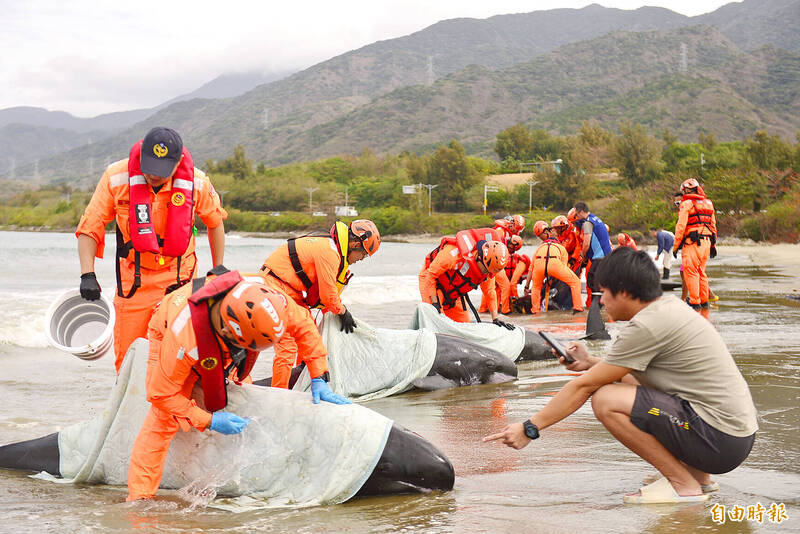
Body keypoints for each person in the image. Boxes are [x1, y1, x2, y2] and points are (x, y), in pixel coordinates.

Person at [484, 247, 757, 503]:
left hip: (718, 439)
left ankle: (683, 486)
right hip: (731, 436)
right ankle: (699, 478)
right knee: (624, 387)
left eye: (604, 293)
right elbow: (632, 377)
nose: (602, 302)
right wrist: (590, 361)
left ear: (624, 292)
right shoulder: (666, 309)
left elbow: (585, 387)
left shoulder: (647, 325)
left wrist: (530, 428)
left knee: (606, 400)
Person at [127, 269, 350, 501]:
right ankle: (139, 498)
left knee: (238, 391)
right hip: (166, 328)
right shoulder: (184, 339)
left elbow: (303, 325)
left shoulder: (270, 300)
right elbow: (161, 394)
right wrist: (209, 420)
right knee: (163, 420)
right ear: (226, 332)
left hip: (226, 335)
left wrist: (319, 375)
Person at [76, 127, 227, 372]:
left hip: (180, 281)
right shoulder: (117, 177)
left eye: (161, 172)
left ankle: (175, 407)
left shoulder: (197, 182)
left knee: (180, 359)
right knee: (129, 360)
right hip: (135, 283)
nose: (152, 176)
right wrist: (87, 274)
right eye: (148, 168)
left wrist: (218, 267)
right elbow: (90, 226)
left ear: (178, 163)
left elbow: (215, 222)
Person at [259, 219, 380, 389]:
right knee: (288, 346)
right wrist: (343, 312)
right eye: (364, 254)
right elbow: (328, 296)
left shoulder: (331, 248)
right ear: (354, 244)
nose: (362, 259)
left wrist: (336, 313)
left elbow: (325, 299)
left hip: (289, 291)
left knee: (309, 332)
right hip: (275, 287)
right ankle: (279, 394)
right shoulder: (330, 252)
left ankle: (302, 380)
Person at [419, 227, 514, 329]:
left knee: (464, 324)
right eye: (486, 270)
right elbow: (431, 275)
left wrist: (495, 318)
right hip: (432, 283)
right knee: (437, 324)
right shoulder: (452, 254)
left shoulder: (488, 269)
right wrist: (435, 304)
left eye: (489, 272)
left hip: (454, 294)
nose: (486, 274)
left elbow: (490, 291)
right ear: (479, 257)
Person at [673, 178, 717, 310]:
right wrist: (713, 246)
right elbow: (713, 226)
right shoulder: (708, 203)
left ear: (685, 190)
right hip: (706, 243)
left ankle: (694, 302)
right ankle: (704, 301)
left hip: (692, 243)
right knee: (702, 272)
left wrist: (675, 247)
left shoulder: (686, 204)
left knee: (691, 272)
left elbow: (681, 226)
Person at [524, 221, 584, 314]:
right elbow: (563, 266)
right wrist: (553, 278)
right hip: (555, 264)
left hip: (539, 266)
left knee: (536, 287)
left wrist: (527, 286)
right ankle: (578, 308)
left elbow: (531, 269)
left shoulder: (539, 248)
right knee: (575, 282)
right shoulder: (560, 247)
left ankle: (535, 311)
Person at [573, 202, 612, 307]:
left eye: (576, 214)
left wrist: (581, 255)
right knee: (600, 280)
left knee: (592, 279)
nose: (576, 217)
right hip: (607, 255)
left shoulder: (587, 223)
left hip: (600, 256)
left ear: (581, 212)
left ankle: (599, 303)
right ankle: (603, 301)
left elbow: (586, 243)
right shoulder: (595, 219)